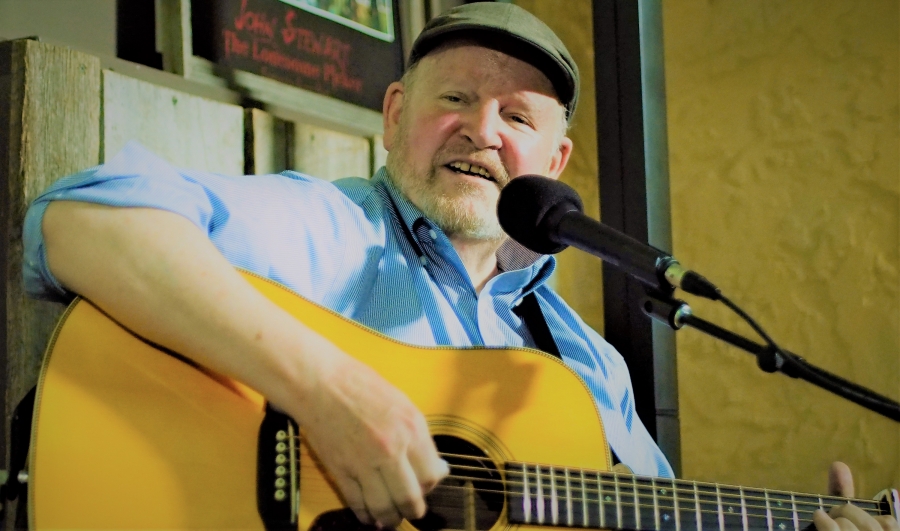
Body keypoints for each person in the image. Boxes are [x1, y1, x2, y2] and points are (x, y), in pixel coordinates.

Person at [20, 3, 897, 530]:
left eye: (517, 115)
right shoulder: (330, 230)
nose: (483, 128)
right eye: (454, 98)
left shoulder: (586, 367)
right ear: (396, 117)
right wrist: (328, 391)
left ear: (554, 164)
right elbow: (83, 219)